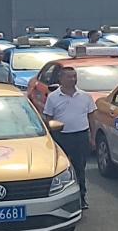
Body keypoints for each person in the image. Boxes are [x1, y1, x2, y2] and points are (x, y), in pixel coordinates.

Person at [41, 64, 97, 198]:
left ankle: (81, 196)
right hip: (61, 136)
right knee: (62, 169)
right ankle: (62, 196)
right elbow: (48, 118)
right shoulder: (53, 97)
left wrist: (92, 137)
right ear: (61, 79)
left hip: (81, 136)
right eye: (69, 77)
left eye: (74, 76)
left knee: (80, 168)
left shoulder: (85, 96)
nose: (72, 79)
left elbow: (92, 117)